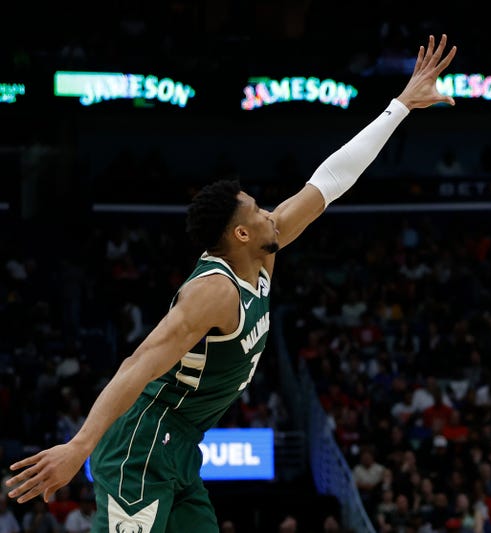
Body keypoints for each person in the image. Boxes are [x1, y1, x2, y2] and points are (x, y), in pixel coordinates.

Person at [5, 34, 457, 532]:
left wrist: (400, 106)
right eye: (258, 210)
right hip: (141, 443)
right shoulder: (214, 292)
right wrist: (79, 446)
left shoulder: (261, 255)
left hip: (180, 446)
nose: (270, 213)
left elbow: (330, 180)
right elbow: (138, 364)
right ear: (241, 234)